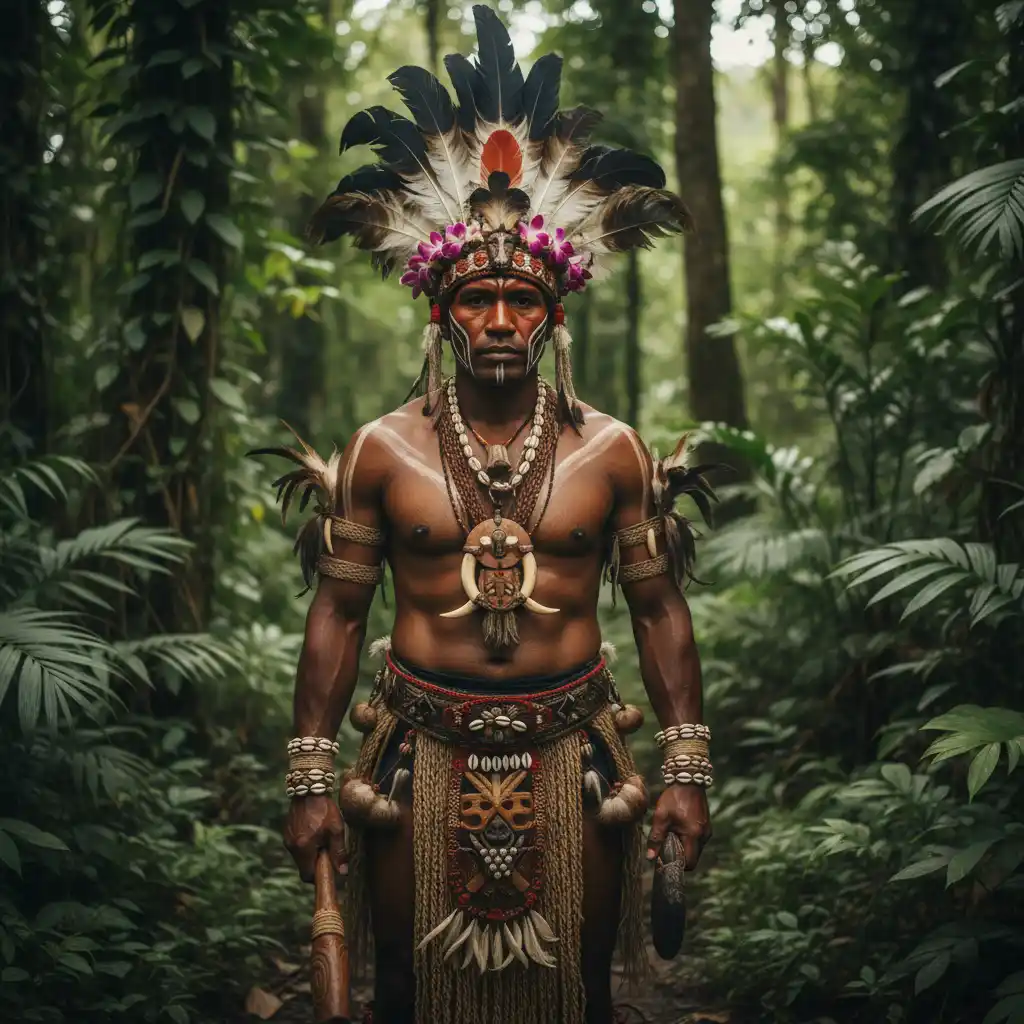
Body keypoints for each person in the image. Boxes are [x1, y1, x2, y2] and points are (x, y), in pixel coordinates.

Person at [259, 8, 715, 1023]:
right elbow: (338, 612)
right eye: (475, 299)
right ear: (440, 310)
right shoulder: (382, 451)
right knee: (404, 991)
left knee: (580, 992)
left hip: (575, 755)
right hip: (413, 760)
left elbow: (656, 607)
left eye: (521, 299)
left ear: (555, 312)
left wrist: (686, 767)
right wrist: (310, 779)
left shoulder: (612, 451)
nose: (500, 319)